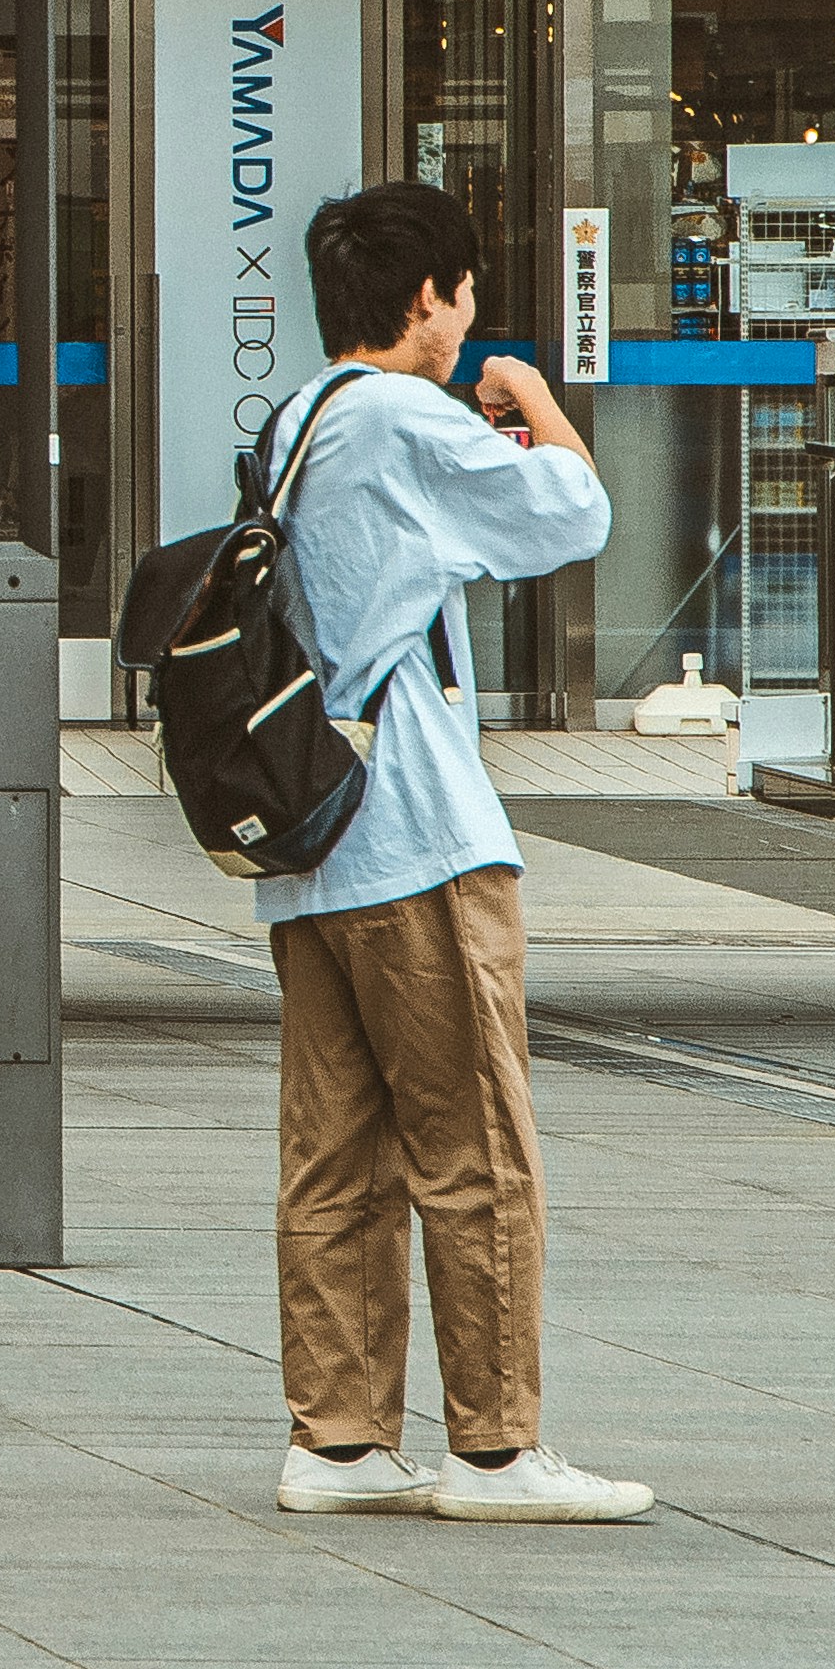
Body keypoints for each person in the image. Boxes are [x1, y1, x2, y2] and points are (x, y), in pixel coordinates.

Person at [248, 182, 646, 1530]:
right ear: (427, 297)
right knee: (475, 1143)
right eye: (465, 294)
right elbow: (571, 514)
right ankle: (493, 1446)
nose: (469, 318)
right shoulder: (401, 413)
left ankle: (338, 1435)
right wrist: (529, 394)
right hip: (415, 832)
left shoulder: (301, 419)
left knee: (335, 1152)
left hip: (314, 842)